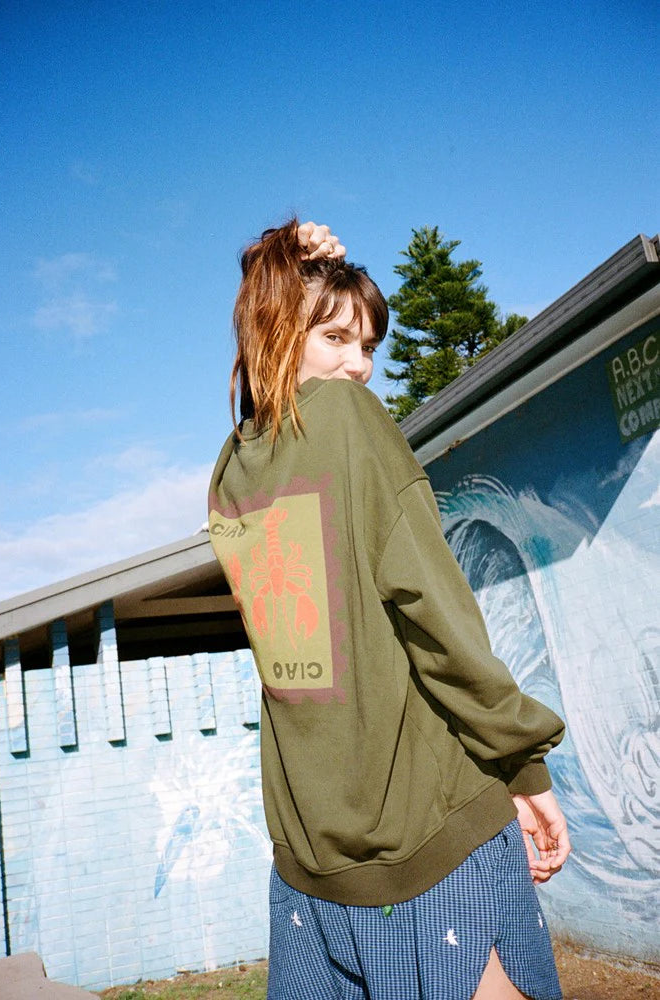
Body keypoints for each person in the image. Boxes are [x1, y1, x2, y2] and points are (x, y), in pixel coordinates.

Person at [208, 219, 571, 1000]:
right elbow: (437, 618)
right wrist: (522, 762)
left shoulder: (233, 471)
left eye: (368, 345)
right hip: (425, 834)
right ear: (278, 330)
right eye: (335, 338)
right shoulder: (348, 420)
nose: (359, 366)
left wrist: (274, 258)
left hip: (310, 859)